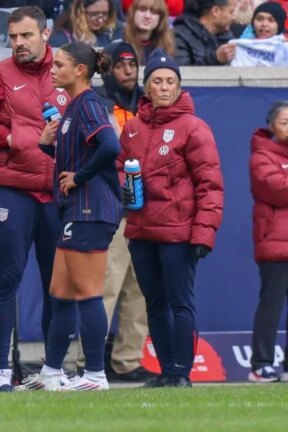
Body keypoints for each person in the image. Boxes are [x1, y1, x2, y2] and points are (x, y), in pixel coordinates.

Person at [0, 5, 69, 392]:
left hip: (58, 193)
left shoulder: (68, 71)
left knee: (59, 284)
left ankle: (54, 370)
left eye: (26, 35)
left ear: (45, 34)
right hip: (15, 191)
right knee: (6, 281)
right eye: (14, 37)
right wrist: (6, 137)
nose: (19, 43)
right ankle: (2, 371)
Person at [117, 49, 224, 388]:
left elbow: (210, 184)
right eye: (157, 81)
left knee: (180, 302)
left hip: (178, 232)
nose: (163, 87)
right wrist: (123, 184)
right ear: (146, 87)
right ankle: (165, 371)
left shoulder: (194, 128)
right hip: (141, 230)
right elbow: (119, 169)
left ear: (179, 88)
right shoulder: (132, 128)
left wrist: (204, 233)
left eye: (170, 82)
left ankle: (181, 372)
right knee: (155, 304)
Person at [21, 42, 121, 391]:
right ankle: (51, 373)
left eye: (60, 64)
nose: (53, 68)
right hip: (74, 210)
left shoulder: (90, 104)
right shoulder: (73, 108)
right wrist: (48, 145)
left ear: (80, 70)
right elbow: (78, 153)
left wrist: (79, 178)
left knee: (88, 292)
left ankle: (95, 374)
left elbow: (110, 146)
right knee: (60, 293)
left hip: (91, 210)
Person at [84, 41, 154, 383]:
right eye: (120, 64)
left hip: (143, 212)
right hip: (111, 210)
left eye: (133, 64)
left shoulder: (147, 106)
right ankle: (90, 360)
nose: (128, 70)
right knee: (105, 287)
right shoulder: (98, 104)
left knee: (139, 291)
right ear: (107, 70)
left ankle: (127, 360)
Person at [248, 101, 288, 383]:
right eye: (285, 122)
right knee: (271, 306)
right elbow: (276, 190)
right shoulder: (261, 155)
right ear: (271, 126)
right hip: (275, 245)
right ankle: (261, 365)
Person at [173, 0, 236, 65]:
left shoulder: (227, 38)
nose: (233, 18)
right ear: (215, 11)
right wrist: (215, 58)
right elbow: (181, 71)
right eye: (231, 12)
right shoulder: (180, 35)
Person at [50, 0, 124, 48]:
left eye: (104, 14)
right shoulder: (59, 39)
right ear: (79, 12)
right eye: (94, 14)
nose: (100, 19)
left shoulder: (112, 30)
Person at [121, 0, 176, 64]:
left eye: (154, 12)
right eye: (142, 10)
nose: (147, 16)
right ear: (133, 13)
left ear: (160, 18)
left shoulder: (166, 44)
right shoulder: (121, 39)